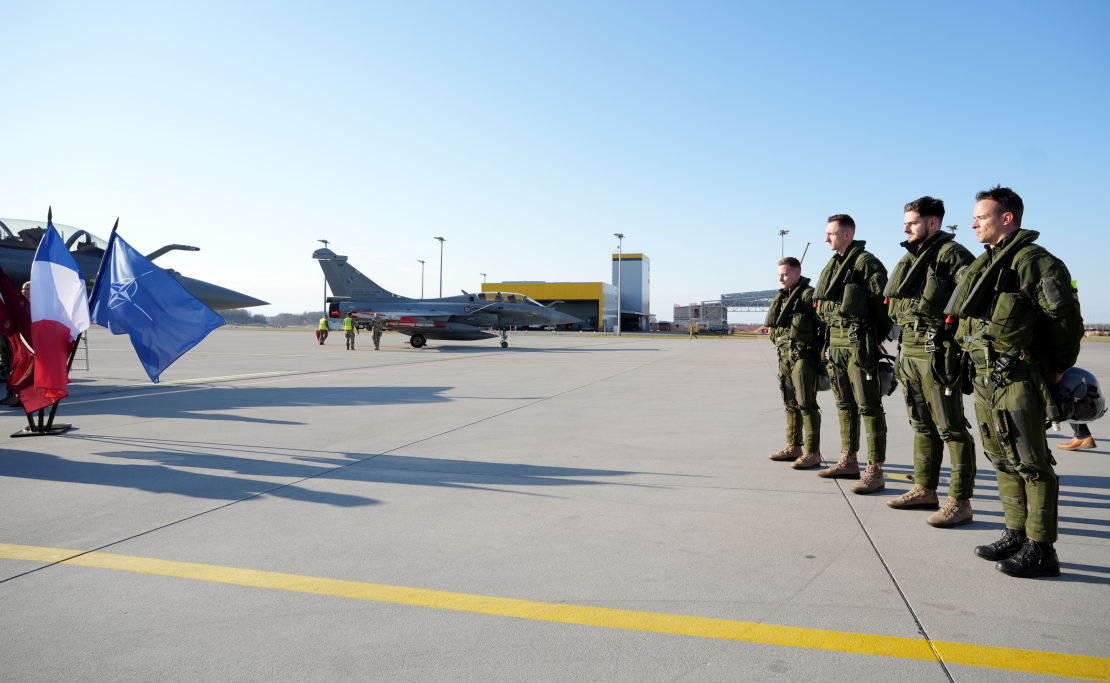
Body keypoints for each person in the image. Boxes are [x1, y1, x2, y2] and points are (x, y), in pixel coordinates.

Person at [950, 186, 1083, 578]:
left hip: (1019, 377)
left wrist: (1056, 367)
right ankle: (1017, 532)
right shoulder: (987, 263)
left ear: (1006, 218)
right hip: (987, 379)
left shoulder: (1035, 262)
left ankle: (1042, 548)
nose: (974, 223)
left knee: (1032, 464)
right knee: (1001, 458)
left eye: (981, 216)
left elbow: (1065, 320)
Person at [884, 197, 978, 527]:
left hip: (936, 353)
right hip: (908, 351)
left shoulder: (952, 255)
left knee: (951, 428)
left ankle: (960, 501)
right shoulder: (910, 259)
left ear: (932, 223)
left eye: (911, 222)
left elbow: (976, 295)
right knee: (921, 424)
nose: (905, 227)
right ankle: (925, 488)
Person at [813, 214, 892, 493]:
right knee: (844, 405)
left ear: (847, 234)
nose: (826, 238)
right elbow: (820, 304)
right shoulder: (832, 265)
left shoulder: (865, 263)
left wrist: (875, 337)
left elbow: (885, 303)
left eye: (831, 234)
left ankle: (875, 469)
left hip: (858, 344)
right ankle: (848, 459)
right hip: (835, 346)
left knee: (869, 407)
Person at [766, 257, 824, 469]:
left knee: (806, 404)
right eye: (779, 275)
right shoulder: (782, 298)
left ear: (797, 274)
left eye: (785, 274)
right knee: (790, 403)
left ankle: (812, 451)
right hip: (784, 357)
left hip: (803, 357)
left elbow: (823, 325)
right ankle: (794, 446)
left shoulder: (809, 296)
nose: (781, 278)